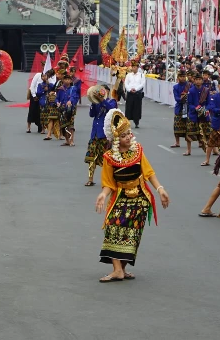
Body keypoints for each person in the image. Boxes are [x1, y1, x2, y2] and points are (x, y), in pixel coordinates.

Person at [95, 109, 169, 282]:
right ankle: (117, 270)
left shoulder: (138, 151)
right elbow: (108, 183)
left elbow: (149, 173)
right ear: (115, 140)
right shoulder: (109, 157)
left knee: (132, 234)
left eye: (129, 133)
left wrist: (160, 189)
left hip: (140, 199)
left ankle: (121, 269)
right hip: (121, 197)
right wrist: (103, 195)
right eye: (123, 135)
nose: (128, 137)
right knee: (113, 227)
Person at [84, 85, 116, 186]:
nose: (100, 92)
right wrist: (94, 102)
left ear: (107, 91)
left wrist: (102, 100)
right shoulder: (96, 103)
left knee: (107, 159)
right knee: (91, 157)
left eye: (102, 91)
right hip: (95, 133)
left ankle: (109, 179)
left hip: (105, 135)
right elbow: (91, 114)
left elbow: (111, 110)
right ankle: (90, 179)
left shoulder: (112, 101)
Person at [171, 71, 191, 154]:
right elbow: (176, 98)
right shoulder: (175, 87)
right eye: (181, 76)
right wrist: (182, 99)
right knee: (176, 125)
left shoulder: (190, 85)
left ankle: (198, 143)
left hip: (188, 107)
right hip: (179, 107)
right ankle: (177, 142)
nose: (182, 78)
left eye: (184, 76)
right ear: (178, 77)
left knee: (189, 126)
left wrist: (187, 98)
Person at [124, 63, 145, 128]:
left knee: (137, 108)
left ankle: (136, 122)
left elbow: (142, 84)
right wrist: (129, 89)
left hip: (137, 93)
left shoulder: (141, 75)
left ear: (138, 68)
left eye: (135, 67)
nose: (134, 68)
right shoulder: (128, 75)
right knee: (128, 107)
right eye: (133, 67)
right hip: (130, 93)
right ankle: (127, 121)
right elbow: (126, 83)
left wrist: (136, 89)